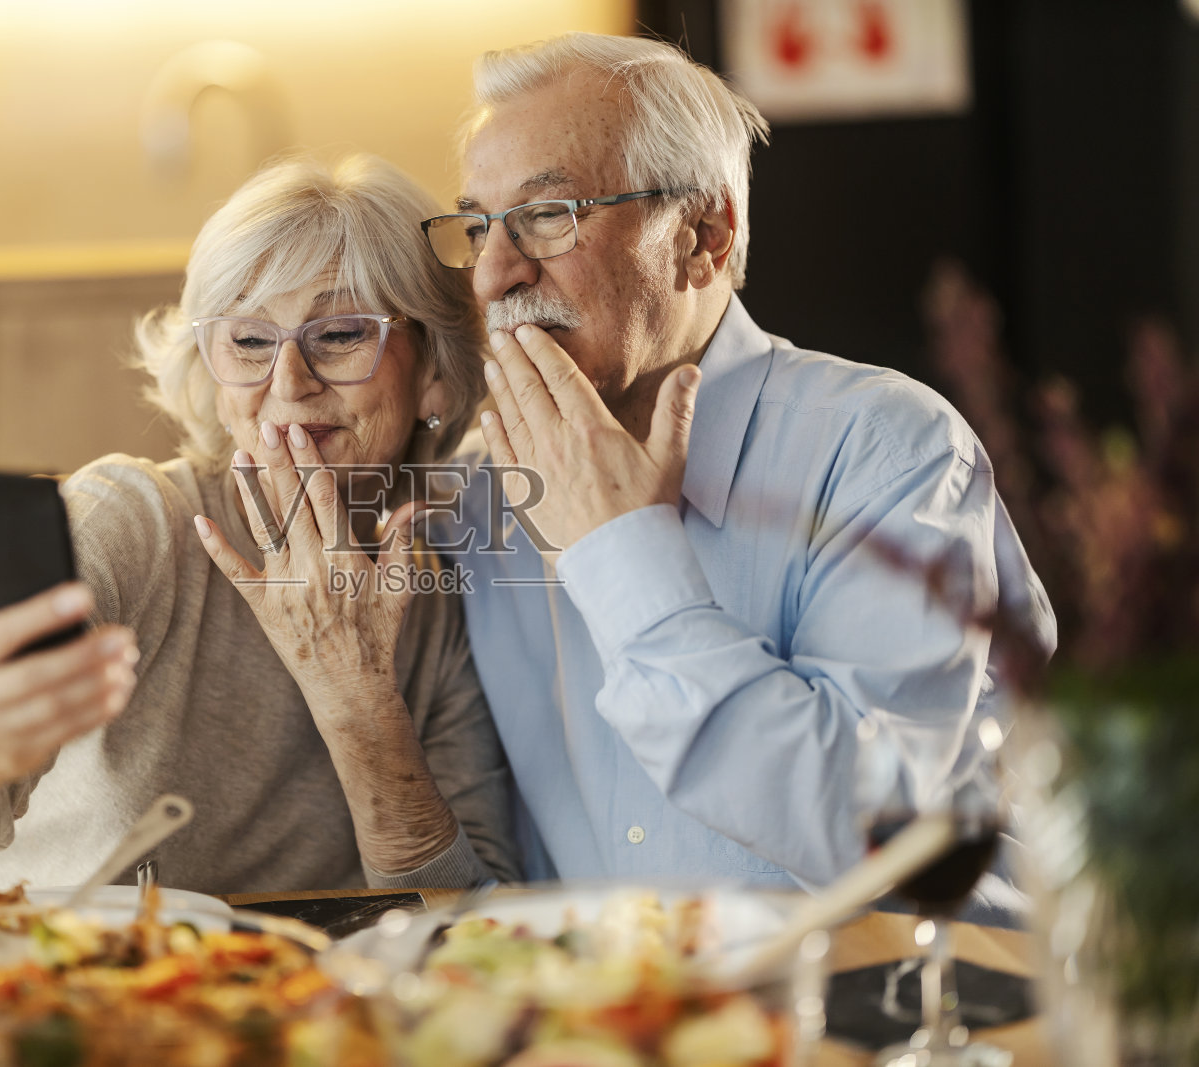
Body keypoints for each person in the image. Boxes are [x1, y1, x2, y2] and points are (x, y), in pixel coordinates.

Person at [0, 155, 518, 923]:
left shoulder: (437, 595)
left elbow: (462, 917)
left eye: (338, 334)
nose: (287, 382)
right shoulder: (132, 520)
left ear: (435, 370)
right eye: (248, 341)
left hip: (201, 988)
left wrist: (355, 696)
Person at [422, 33, 1055, 903]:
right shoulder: (471, 496)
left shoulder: (887, 451)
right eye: (477, 226)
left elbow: (883, 841)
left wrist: (624, 555)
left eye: (549, 214)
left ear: (704, 236)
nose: (494, 274)